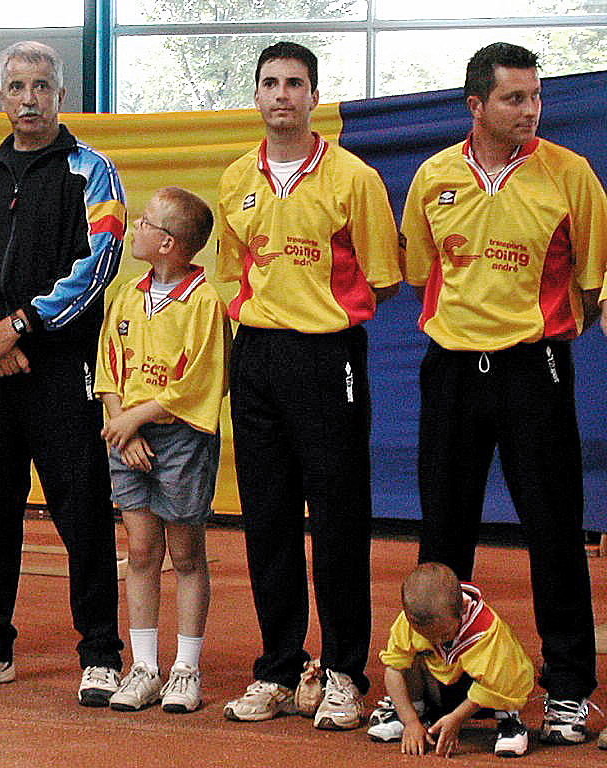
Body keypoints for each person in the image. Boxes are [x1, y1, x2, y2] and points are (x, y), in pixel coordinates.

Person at [401, 42, 605, 745]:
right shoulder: (432, 178)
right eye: (515, 98)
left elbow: (594, 277)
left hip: (534, 369)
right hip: (452, 370)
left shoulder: (570, 175)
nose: (530, 110)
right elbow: (422, 271)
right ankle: (435, 691)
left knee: (553, 533)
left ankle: (571, 692)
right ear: (476, 105)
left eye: (536, 97)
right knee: (443, 537)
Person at [0, 41, 126, 705]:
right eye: (16, 87)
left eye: (41, 86)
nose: (28, 100)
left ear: (61, 94)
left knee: (81, 511)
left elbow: (99, 262)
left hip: (59, 366)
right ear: (1, 96)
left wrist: (19, 327)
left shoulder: (91, 172)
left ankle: (100, 652)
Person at [216, 41, 402, 730]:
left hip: (329, 359)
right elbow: (234, 275)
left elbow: (383, 274)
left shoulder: (352, 178)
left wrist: (317, 313)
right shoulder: (237, 176)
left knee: (337, 521)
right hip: (257, 356)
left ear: (314, 95)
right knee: (266, 519)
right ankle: (279, 667)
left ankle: (346, 671)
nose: (282, 95)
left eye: (295, 83)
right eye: (270, 83)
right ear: (257, 94)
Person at [94, 187, 231, 714]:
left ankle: (186, 668)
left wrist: (137, 418)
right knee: (142, 551)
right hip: (126, 437)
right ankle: (145, 666)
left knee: (186, 553)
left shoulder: (205, 302)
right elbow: (108, 366)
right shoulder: (126, 294)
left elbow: (202, 381)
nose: (135, 228)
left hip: (179, 440)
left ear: (169, 243)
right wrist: (120, 425)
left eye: (145, 223)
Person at [367, 563, 534, 758]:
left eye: (444, 634)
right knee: (407, 656)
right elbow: (393, 670)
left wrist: (456, 718)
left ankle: (508, 719)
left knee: (506, 671)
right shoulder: (410, 621)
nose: (437, 641)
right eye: (427, 636)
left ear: (463, 609)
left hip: (486, 694)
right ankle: (419, 711)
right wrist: (410, 721)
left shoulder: (486, 631)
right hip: (441, 686)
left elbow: (492, 684)